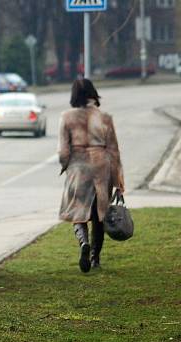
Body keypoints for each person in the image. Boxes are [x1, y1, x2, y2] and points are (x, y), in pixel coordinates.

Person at [58, 78, 124, 273]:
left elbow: (63, 151)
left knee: (78, 212)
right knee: (98, 216)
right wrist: (119, 182)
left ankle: (83, 242)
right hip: (101, 167)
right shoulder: (105, 118)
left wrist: (65, 166)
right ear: (93, 93)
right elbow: (114, 152)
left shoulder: (66, 117)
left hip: (78, 168)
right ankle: (95, 258)